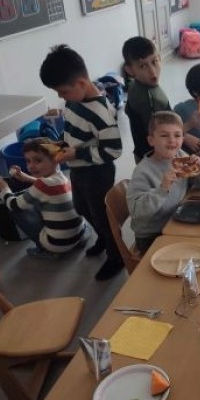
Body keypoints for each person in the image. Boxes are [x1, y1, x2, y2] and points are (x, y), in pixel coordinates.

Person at [39, 44, 124, 280]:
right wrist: (61, 145)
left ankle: (116, 256)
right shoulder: (74, 100)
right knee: (82, 207)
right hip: (78, 168)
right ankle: (103, 239)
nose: (60, 97)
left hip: (97, 172)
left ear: (81, 83)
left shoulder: (101, 112)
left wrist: (77, 154)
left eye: (63, 91)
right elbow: (73, 129)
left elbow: (114, 149)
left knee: (103, 216)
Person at [127, 111, 200, 253]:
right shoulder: (142, 172)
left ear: (182, 139)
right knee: (196, 252)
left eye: (177, 135)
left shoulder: (180, 156)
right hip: (153, 234)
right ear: (151, 140)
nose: (172, 140)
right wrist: (162, 189)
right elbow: (137, 212)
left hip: (178, 220)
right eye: (164, 135)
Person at [0, 138, 86, 260]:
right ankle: (73, 242)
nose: (31, 166)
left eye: (38, 160)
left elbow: (14, 204)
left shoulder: (42, 185)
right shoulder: (62, 177)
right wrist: (26, 178)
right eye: (28, 161)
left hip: (57, 244)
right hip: (78, 235)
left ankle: (46, 249)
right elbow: (45, 185)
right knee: (43, 201)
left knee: (16, 208)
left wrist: (4, 189)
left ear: (56, 159)